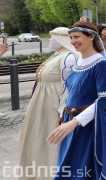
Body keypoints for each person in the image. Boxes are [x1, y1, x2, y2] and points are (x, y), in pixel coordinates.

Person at [47, 22, 106, 179]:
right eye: (71, 37)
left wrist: (75, 122)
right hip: (70, 119)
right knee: (70, 162)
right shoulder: (77, 61)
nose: (73, 41)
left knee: (85, 166)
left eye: (77, 37)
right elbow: (71, 92)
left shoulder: (100, 64)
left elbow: (104, 100)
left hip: (90, 125)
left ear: (92, 37)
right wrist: (63, 113)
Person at [18, 27, 78, 179]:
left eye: (52, 37)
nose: (50, 40)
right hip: (42, 104)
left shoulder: (68, 57)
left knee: (52, 142)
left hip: (53, 106)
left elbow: (69, 87)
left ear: (60, 38)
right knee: (39, 138)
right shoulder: (57, 54)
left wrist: (62, 111)